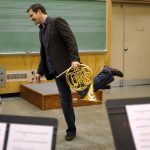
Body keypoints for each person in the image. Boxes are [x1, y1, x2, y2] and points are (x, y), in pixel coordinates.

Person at [26, 3, 123, 141]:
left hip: (70, 67)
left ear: (39, 11)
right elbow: (44, 53)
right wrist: (39, 72)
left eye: (32, 15)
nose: (31, 18)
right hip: (57, 72)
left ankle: (106, 72)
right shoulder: (41, 31)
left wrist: (75, 58)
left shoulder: (56, 22)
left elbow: (70, 39)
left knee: (85, 91)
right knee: (65, 101)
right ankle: (71, 130)